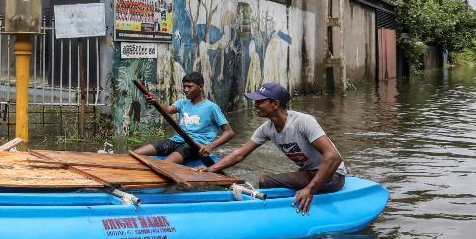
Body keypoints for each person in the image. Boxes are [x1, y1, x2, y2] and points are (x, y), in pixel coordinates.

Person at [202, 82, 346, 214]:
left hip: (332, 175)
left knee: (266, 181)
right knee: (267, 182)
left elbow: (334, 157)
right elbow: (240, 154)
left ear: (275, 104)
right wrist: (210, 170)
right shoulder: (266, 129)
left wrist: (310, 189)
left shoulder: (303, 122)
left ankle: (277, 211)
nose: (255, 104)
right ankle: (275, 208)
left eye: (260, 101)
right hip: (309, 172)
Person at [133, 72, 234, 164]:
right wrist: (155, 102)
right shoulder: (182, 103)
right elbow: (167, 110)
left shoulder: (212, 107)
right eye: (184, 86)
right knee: (134, 154)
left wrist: (210, 146)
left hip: (195, 145)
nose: (186, 90)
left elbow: (229, 132)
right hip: (176, 140)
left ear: (200, 87)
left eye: (189, 87)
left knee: (165, 165)